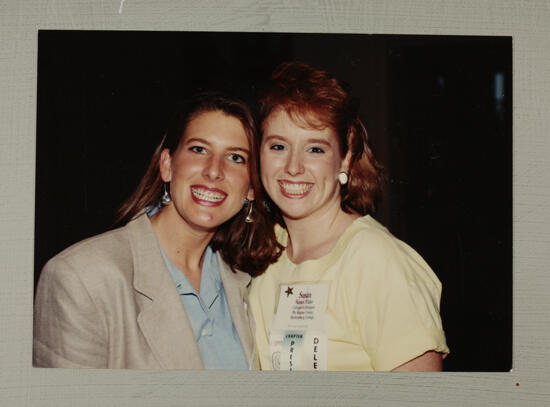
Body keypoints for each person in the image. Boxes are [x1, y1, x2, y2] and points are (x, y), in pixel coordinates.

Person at [33, 92, 281, 369]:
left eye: (235, 157)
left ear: (250, 188)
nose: (214, 171)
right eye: (199, 149)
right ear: (167, 166)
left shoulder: (245, 282)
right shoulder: (81, 278)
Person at [248, 62, 450, 371]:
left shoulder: (377, 261)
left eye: (315, 149)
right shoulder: (264, 254)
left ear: (344, 159)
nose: (293, 167)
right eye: (278, 146)